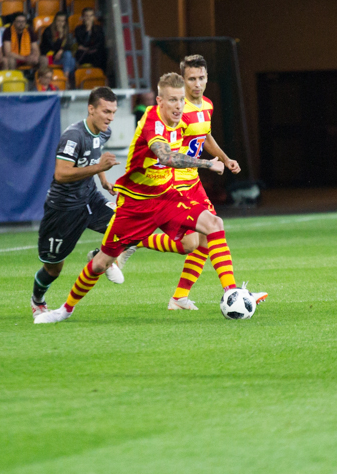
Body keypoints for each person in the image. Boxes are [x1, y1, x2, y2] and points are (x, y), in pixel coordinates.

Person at [34, 72, 266, 324]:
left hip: (167, 197)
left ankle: (230, 290)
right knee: (101, 263)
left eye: (181, 100)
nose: (179, 106)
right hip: (136, 204)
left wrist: (220, 157)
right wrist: (207, 164)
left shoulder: (182, 120)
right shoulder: (152, 123)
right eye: (173, 100)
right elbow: (166, 157)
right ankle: (65, 310)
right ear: (160, 101)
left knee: (213, 225)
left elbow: (202, 137)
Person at [160, 55, 252, 311]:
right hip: (176, 183)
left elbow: (206, 136)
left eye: (201, 78)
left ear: (207, 78)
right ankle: (232, 292)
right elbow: (168, 151)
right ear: (182, 79)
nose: (197, 84)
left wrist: (225, 158)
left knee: (205, 239)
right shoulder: (176, 111)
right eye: (191, 79)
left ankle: (179, 297)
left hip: (193, 182)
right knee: (199, 238)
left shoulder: (207, 105)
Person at [31, 86, 124, 316]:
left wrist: (102, 179)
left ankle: (99, 256)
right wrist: (99, 168)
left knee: (125, 224)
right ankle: (38, 300)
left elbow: (95, 157)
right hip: (63, 208)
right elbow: (61, 174)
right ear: (91, 109)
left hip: (89, 197)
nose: (110, 117)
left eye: (113, 112)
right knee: (53, 268)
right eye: (105, 111)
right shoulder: (73, 136)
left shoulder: (104, 132)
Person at [39, 12, 75, 79]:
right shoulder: (48, 31)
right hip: (49, 57)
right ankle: (67, 80)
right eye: (58, 20)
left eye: (62, 21)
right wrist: (60, 37)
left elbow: (69, 46)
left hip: (60, 58)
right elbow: (51, 46)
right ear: (55, 21)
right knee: (70, 59)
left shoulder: (66, 31)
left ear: (65, 22)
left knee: (70, 58)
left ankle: (65, 78)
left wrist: (61, 50)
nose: (60, 23)